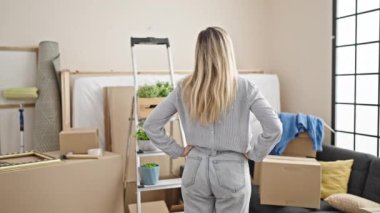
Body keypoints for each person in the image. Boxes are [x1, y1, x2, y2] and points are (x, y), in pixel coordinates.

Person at [143, 27, 282, 213]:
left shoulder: (184, 87)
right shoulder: (245, 87)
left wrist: (176, 150)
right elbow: (275, 128)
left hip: (195, 170)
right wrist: (255, 154)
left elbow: (151, 124)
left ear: (199, 53)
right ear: (227, 52)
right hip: (232, 171)